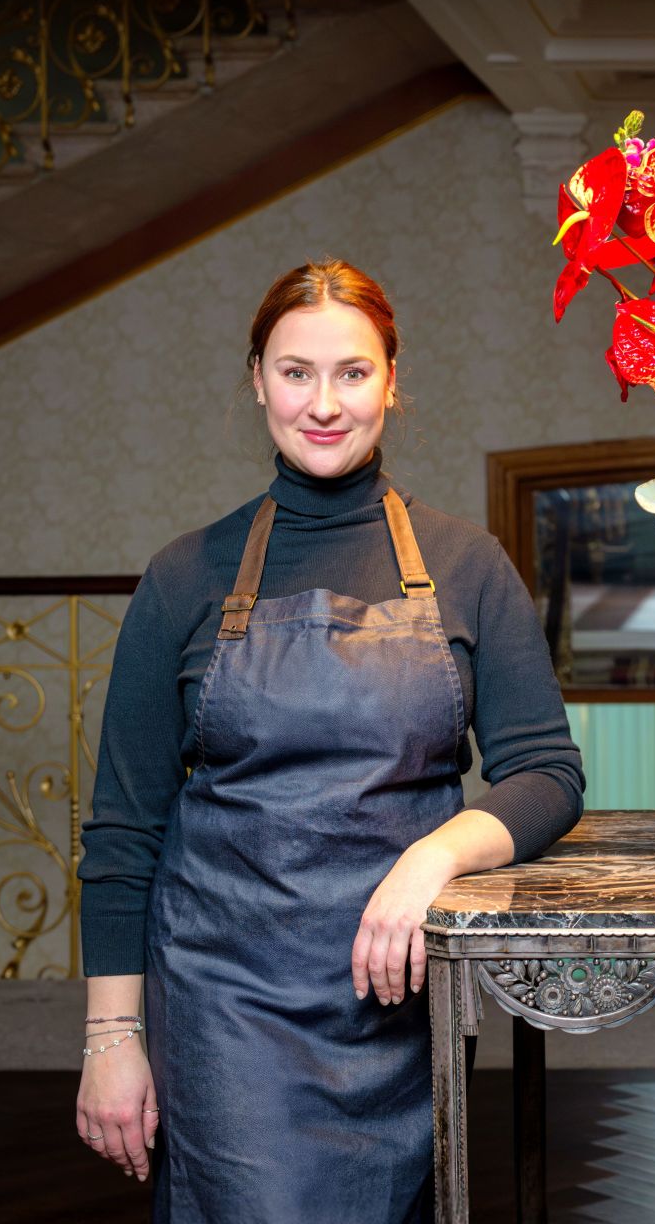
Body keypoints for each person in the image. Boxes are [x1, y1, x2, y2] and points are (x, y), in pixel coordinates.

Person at [74, 260, 584, 1220]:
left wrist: (432, 858)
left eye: (352, 373)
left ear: (392, 380)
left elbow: (548, 775)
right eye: (295, 371)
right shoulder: (185, 576)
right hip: (227, 997)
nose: (323, 403)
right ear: (256, 379)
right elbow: (123, 830)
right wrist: (112, 1038)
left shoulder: (468, 566)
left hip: (404, 998)